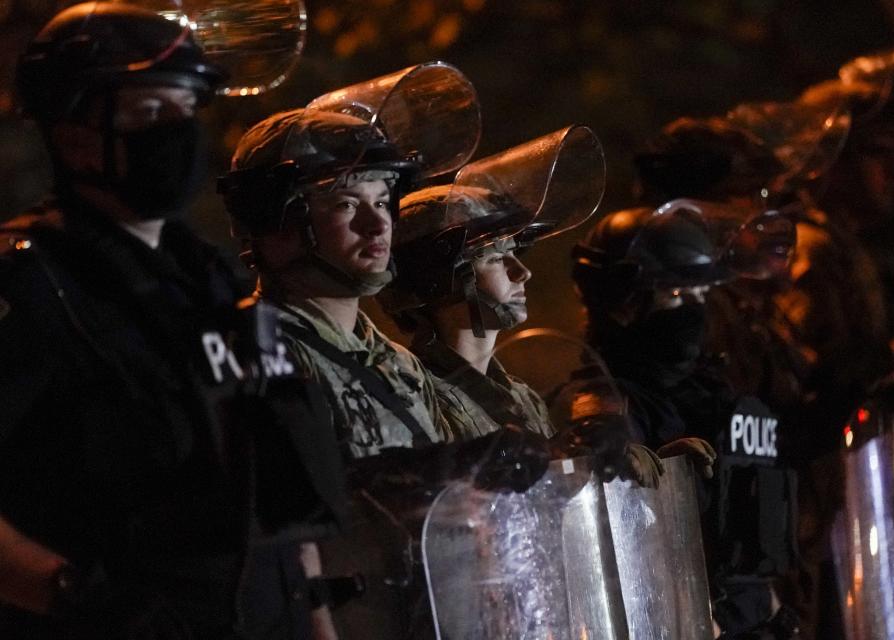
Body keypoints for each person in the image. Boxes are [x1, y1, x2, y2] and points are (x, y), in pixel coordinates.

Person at [1, 3, 348, 638]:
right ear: (74, 132)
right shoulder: (31, 284)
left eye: (187, 111)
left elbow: (279, 483)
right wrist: (72, 596)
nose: (179, 132)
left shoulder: (220, 282)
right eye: (153, 113)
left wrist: (318, 619)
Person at [217, 67, 550, 639]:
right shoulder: (251, 359)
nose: (378, 224)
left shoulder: (399, 364)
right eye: (347, 204)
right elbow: (280, 546)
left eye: (381, 200)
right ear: (278, 224)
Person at [381, 125, 667, 486]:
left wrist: (628, 467)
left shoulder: (522, 397)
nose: (524, 272)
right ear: (438, 278)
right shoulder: (411, 392)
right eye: (496, 258)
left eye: (514, 254)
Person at [571, 202, 800, 639]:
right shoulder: (609, 409)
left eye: (700, 294)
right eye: (675, 295)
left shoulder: (716, 392)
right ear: (624, 305)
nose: (694, 310)